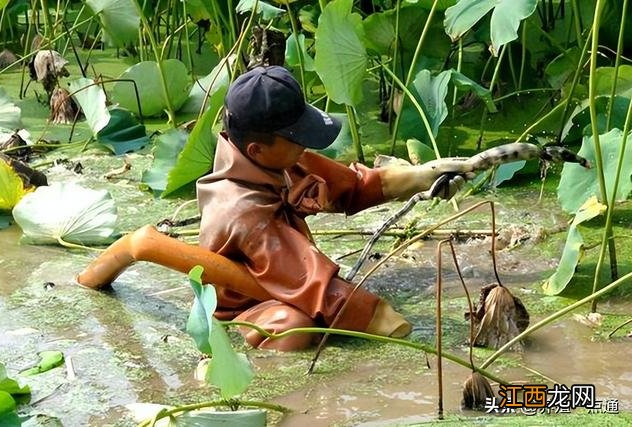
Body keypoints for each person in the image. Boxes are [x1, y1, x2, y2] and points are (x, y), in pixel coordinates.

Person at [196, 66, 474, 351]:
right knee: (294, 327)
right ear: (257, 149)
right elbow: (314, 285)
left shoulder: (271, 160)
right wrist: (397, 327)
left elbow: (351, 186)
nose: (304, 145)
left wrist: (424, 176)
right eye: (296, 138)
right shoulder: (244, 211)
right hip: (250, 306)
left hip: (286, 278)